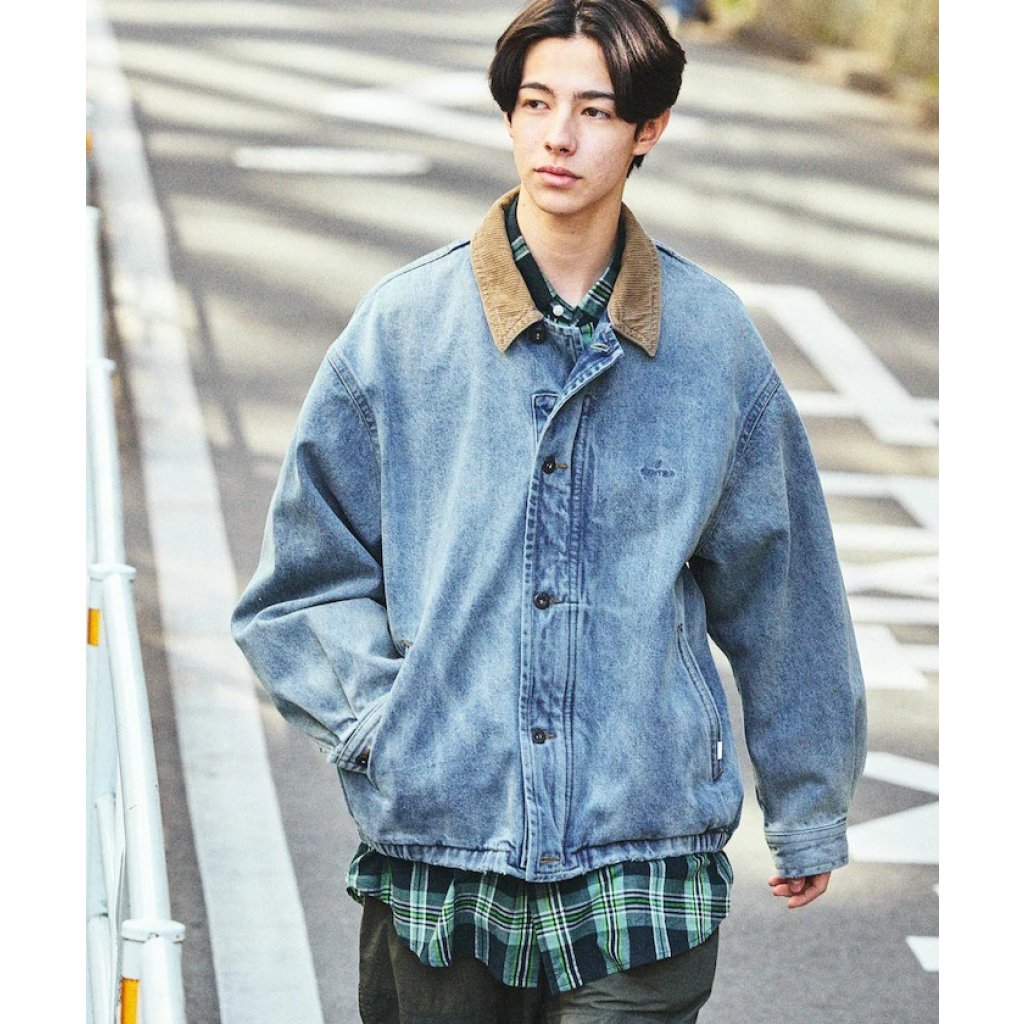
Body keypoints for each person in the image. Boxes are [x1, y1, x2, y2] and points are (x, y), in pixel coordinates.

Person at [232, 1, 866, 1020]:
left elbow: (783, 587)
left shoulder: (710, 341)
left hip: (643, 845)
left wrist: (808, 801)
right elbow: (299, 586)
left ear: (649, 128)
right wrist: (382, 727)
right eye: (535, 104)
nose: (557, 136)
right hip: (443, 846)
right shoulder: (404, 328)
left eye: (594, 110)